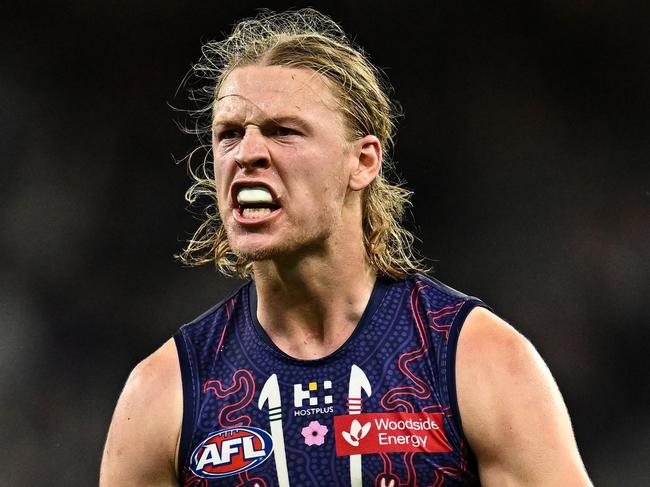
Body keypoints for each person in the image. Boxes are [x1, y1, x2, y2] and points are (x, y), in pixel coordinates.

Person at [100, 9, 592, 487]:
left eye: (283, 131)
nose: (247, 153)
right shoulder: (165, 393)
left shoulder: (479, 361)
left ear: (362, 161)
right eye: (229, 135)